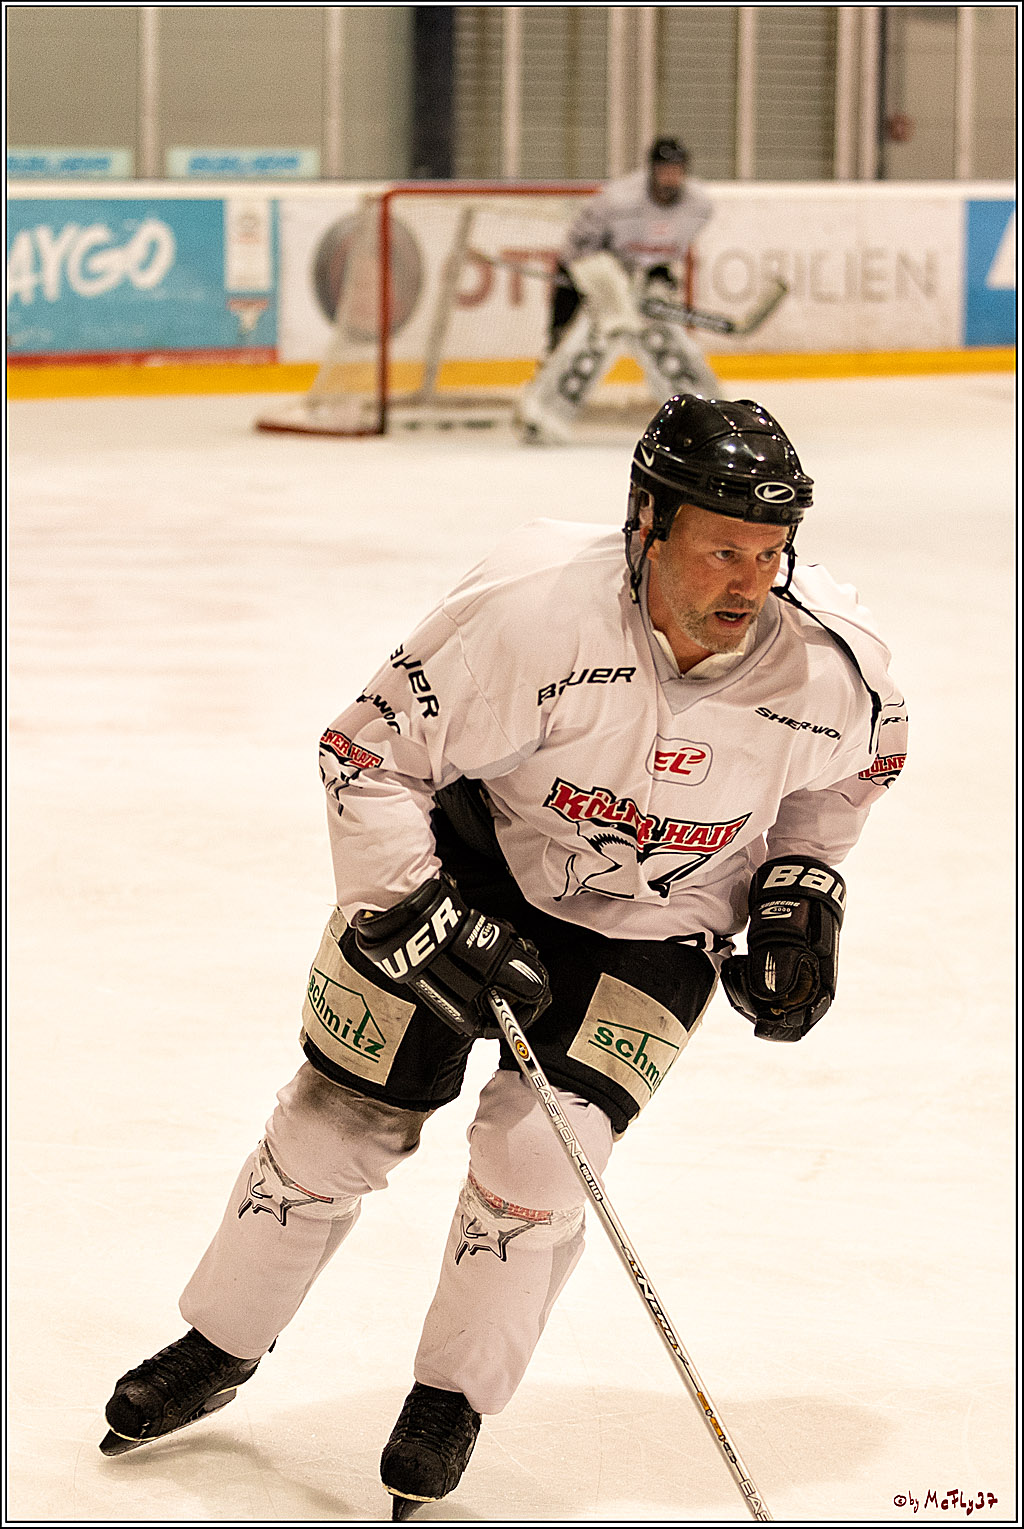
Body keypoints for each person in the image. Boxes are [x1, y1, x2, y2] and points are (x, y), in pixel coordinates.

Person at [99, 395, 908, 1520]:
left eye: (770, 552)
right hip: (471, 871)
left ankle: (450, 1399)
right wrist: (415, 909)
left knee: (544, 1155)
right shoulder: (527, 610)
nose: (749, 581)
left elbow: (846, 783)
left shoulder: (835, 664)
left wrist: (799, 892)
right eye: (722, 547)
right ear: (645, 523)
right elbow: (362, 753)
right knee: (338, 1119)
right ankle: (218, 1342)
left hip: (656, 924)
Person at [515, 138, 719, 444]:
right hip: (602, 269)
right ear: (651, 170)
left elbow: (667, 249)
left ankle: (704, 418)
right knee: (600, 335)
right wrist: (598, 285)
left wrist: (657, 272)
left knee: (664, 340)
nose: (671, 177)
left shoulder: (699, 205)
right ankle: (542, 415)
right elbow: (576, 249)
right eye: (665, 170)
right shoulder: (617, 200)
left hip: (643, 280)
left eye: (677, 170)